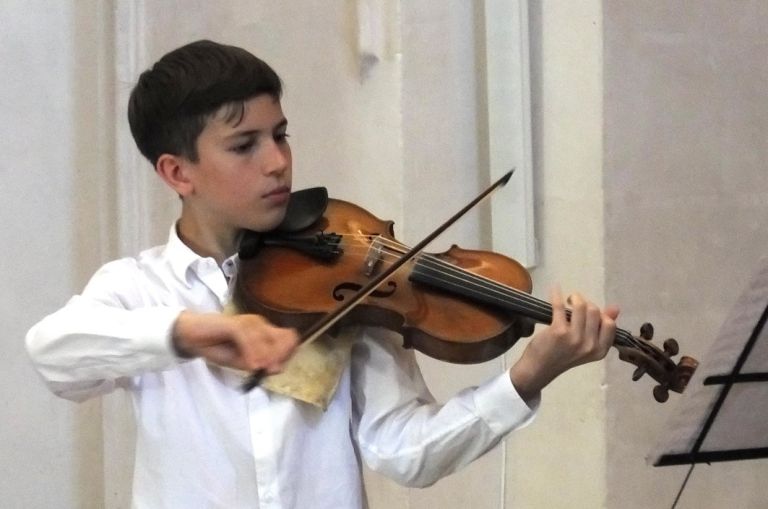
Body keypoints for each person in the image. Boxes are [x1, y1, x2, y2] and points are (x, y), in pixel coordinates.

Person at [26, 40, 619, 508]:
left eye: (280, 135)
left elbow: (402, 450)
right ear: (179, 173)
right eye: (244, 145)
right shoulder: (137, 288)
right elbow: (53, 354)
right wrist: (189, 332)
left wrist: (526, 378)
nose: (278, 161)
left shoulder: (346, 282)